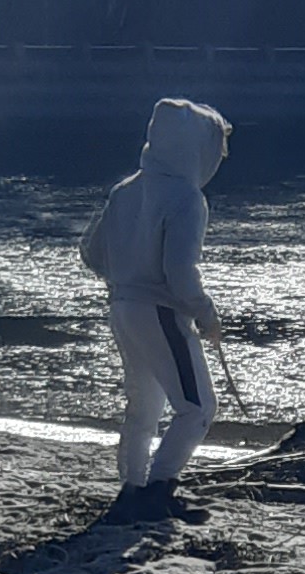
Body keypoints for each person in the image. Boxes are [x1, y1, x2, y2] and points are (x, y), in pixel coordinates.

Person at [81, 98, 230, 522]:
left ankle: (132, 490)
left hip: (122, 308)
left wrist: (126, 275)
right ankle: (161, 488)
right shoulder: (186, 197)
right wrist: (206, 315)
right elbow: (180, 271)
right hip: (161, 313)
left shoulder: (125, 189)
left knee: (144, 406)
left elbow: (92, 253)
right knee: (198, 407)